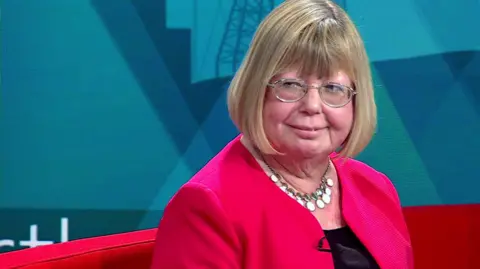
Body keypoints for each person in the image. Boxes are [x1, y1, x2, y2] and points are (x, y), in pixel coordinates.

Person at [150, 0, 413, 268]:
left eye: (333, 88)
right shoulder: (207, 206)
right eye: (290, 85)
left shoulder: (376, 189)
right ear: (257, 89)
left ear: (356, 101)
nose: (312, 106)